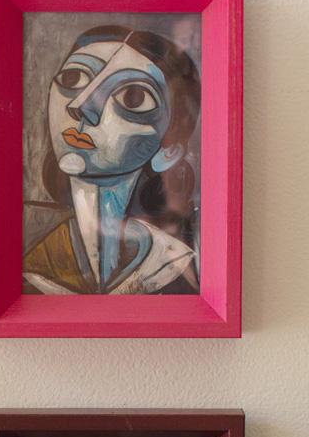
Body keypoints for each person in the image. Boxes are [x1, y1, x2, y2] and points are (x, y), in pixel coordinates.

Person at [23, 26, 201, 295]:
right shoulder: (29, 263)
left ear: (169, 152)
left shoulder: (175, 267)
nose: (81, 106)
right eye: (73, 78)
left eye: (134, 97)